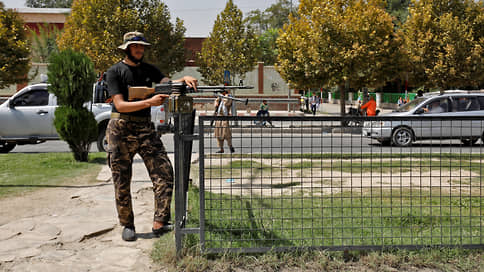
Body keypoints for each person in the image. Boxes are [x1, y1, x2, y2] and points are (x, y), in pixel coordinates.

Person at [105, 31, 198, 241]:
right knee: (121, 179)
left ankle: (160, 222)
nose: (139, 50)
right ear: (127, 48)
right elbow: (119, 104)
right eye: (135, 46)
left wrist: (183, 78)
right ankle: (127, 224)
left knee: (164, 172)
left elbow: (167, 82)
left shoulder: (149, 70)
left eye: (142, 47)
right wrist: (150, 102)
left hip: (145, 128)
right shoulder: (115, 72)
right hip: (120, 128)